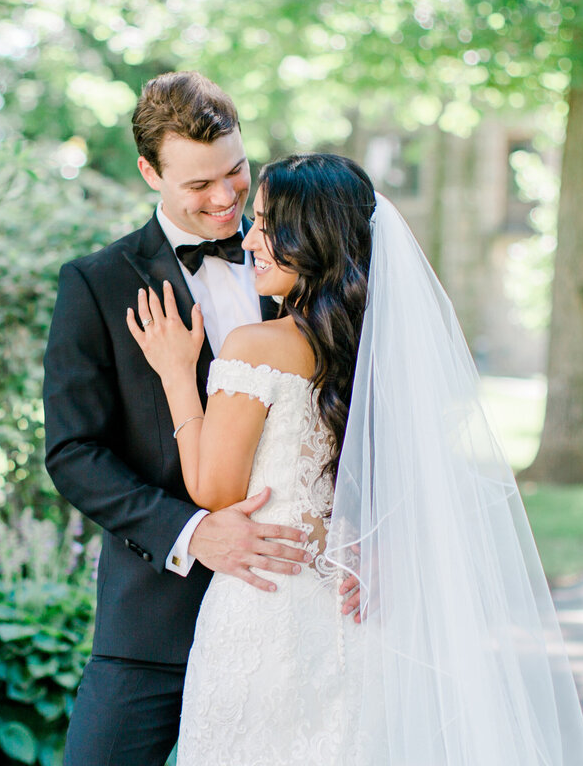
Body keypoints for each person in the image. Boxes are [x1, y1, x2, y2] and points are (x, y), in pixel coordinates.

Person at [128, 153, 583, 765]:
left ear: (316, 237)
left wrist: (174, 374)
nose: (251, 237)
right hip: (357, 614)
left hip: (267, 615)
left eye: (271, 225)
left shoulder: (256, 348)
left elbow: (216, 491)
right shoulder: (377, 356)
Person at [43, 73, 358, 766]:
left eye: (236, 173)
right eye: (197, 186)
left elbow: (351, 421)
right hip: (153, 619)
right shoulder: (96, 284)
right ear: (150, 172)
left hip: (293, 615)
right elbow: (73, 452)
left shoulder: (297, 256)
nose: (225, 200)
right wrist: (192, 532)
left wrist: (364, 532)